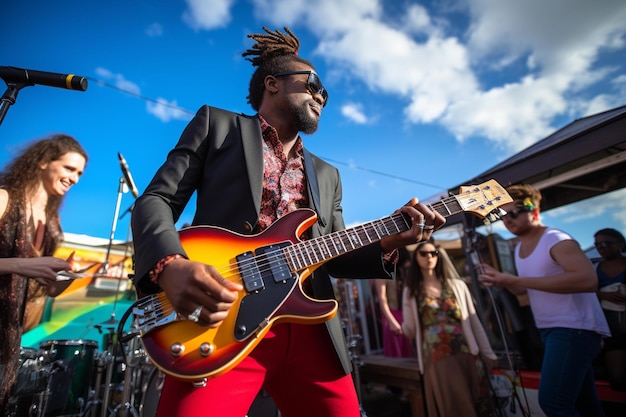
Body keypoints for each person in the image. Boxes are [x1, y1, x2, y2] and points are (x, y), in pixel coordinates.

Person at [130, 26, 445, 417]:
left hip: (311, 327)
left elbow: (334, 252)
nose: (321, 96)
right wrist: (170, 265)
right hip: (222, 318)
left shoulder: (328, 175)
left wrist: (391, 240)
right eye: (313, 84)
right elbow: (156, 199)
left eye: (325, 95)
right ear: (272, 83)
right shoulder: (218, 125)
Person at [477, 184, 610, 417]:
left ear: (534, 212)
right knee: (585, 406)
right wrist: (503, 281)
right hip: (553, 329)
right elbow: (523, 292)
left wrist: (515, 279)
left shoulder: (556, 239)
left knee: (553, 404)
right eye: (502, 216)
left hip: (573, 328)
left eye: (513, 213)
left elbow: (588, 280)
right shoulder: (519, 248)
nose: (507, 220)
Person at [0, 134, 88, 415]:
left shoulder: (52, 223)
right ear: (42, 162)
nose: (74, 178)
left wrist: (61, 280)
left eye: (79, 173)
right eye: (69, 168)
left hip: (9, 339)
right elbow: (21, 269)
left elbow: (48, 290)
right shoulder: (4, 199)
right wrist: (19, 265)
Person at [402, 239, 498, 417]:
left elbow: (473, 321)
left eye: (433, 253)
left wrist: (488, 352)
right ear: (416, 258)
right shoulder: (411, 290)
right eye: (423, 253)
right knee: (454, 405)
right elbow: (410, 330)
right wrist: (398, 323)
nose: (429, 257)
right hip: (437, 356)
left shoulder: (457, 285)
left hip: (466, 351)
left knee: (476, 402)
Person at [593, 228, 626, 391]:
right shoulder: (593, 269)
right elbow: (585, 292)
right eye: (597, 244)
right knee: (617, 377)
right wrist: (602, 295)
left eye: (606, 243)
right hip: (612, 333)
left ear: (620, 244)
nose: (601, 247)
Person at [374, 246, 414, 358]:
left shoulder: (405, 270)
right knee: (397, 350)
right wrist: (391, 320)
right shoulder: (383, 270)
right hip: (392, 313)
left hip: (406, 312)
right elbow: (382, 298)